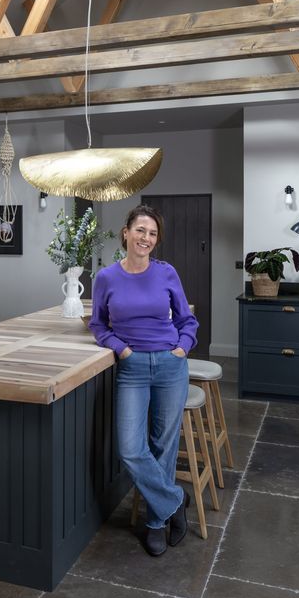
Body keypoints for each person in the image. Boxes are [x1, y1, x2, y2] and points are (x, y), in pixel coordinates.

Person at [88, 204, 199, 557]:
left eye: (152, 233)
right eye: (140, 230)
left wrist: (182, 348)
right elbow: (98, 325)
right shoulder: (106, 277)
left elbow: (186, 320)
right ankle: (176, 500)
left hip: (170, 365)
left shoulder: (166, 273)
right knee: (130, 449)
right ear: (126, 232)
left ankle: (154, 524)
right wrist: (121, 349)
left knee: (163, 447)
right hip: (132, 368)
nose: (146, 238)